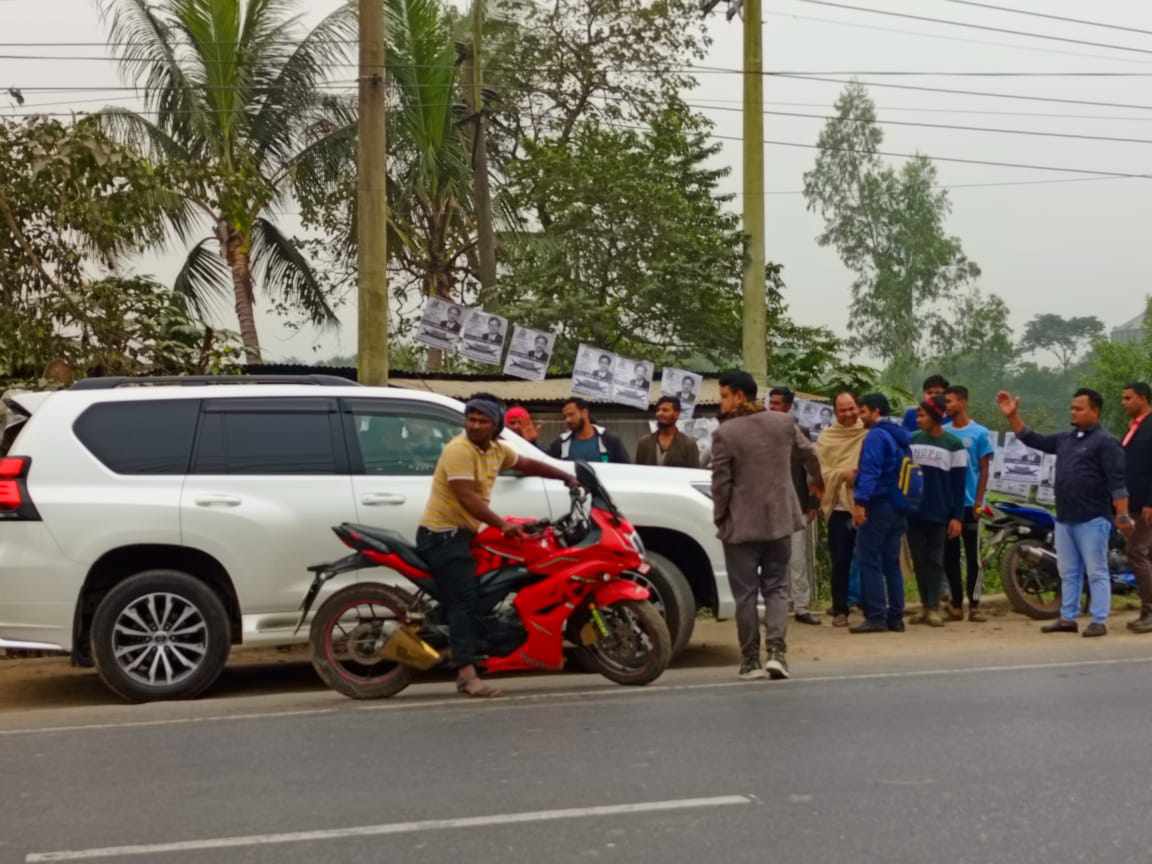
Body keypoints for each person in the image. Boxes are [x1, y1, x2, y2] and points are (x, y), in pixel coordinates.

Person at [418, 396, 579, 697]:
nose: (475, 425)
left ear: (495, 427)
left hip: (463, 534)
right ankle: (467, 674)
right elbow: (467, 497)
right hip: (442, 536)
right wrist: (502, 524)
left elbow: (528, 463)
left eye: (483, 421)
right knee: (463, 602)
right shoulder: (459, 450)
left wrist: (567, 476)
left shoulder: (495, 450)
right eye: (471, 419)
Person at [711, 371, 823, 681]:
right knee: (776, 588)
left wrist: (720, 517)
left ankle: (750, 662)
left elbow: (721, 483)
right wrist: (818, 484)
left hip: (741, 525)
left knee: (746, 595)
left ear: (739, 396)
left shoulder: (726, 433)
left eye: (724, 396)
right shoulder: (783, 423)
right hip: (779, 521)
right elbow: (810, 454)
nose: (721, 402)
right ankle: (777, 654)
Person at [996, 388, 1131, 637]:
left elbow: (1117, 481)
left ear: (1095, 411)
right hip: (1065, 518)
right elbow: (1032, 438)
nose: (1073, 412)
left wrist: (1122, 515)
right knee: (1067, 572)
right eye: (1072, 407)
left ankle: (1099, 620)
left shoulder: (1106, 442)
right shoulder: (1066, 439)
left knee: (1097, 571)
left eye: (1079, 408)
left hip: (1093, 519)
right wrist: (1012, 416)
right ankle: (1068, 618)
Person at [851, 393, 913, 634]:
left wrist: (860, 503)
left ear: (876, 411)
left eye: (863, 411)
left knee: (869, 559)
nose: (859, 415)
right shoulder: (900, 436)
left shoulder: (876, 435)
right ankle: (896, 617)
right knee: (891, 562)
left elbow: (870, 471)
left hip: (879, 505)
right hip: (899, 505)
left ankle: (876, 616)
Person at [907, 396, 968, 627]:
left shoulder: (953, 444)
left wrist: (957, 517)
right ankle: (924, 606)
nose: (918, 419)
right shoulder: (911, 440)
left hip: (940, 513)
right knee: (919, 561)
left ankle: (934, 608)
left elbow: (958, 484)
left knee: (935, 560)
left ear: (935, 417)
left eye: (922, 415)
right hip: (914, 512)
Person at [768, 386, 822, 625]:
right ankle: (773, 607)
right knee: (770, 559)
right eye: (771, 403)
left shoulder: (799, 432)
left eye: (777, 403)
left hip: (796, 504)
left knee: (797, 559)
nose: (772, 407)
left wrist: (812, 503)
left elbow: (810, 471)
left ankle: (801, 606)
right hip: (768, 506)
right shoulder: (761, 431)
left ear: (788, 407)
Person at [942, 385, 996, 622]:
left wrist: (979, 501)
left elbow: (984, 469)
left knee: (974, 557)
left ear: (963, 402)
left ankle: (975, 605)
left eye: (950, 401)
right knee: (950, 557)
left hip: (971, 504)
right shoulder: (942, 432)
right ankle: (956, 604)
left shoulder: (980, 433)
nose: (947, 406)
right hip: (949, 506)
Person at [816, 392, 868, 627]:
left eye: (851, 408)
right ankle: (840, 609)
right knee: (840, 560)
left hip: (866, 505)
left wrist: (860, 475)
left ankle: (871, 605)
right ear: (835, 412)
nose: (848, 414)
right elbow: (821, 473)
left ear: (858, 407)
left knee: (869, 558)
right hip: (838, 507)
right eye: (842, 410)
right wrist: (843, 474)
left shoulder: (868, 434)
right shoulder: (827, 438)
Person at [1120, 383, 1152, 633]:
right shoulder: (1135, 427)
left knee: (1137, 553)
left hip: (1146, 506)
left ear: (1142, 398)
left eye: (1128, 398)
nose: (1124, 402)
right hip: (1133, 503)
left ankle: (1149, 611)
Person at [548, 398, 630, 464]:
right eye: (565, 416)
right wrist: (534, 442)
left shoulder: (610, 440)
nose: (567, 420)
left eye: (571, 414)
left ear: (584, 413)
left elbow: (626, 470)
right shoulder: (560, 443)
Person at [635, 396, 700, 468]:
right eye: (658, 410)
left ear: (676, 414)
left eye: (665, 410)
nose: (659, 413)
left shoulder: (688, 445)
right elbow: (638, 472)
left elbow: (694, 474)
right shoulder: (644, 443)